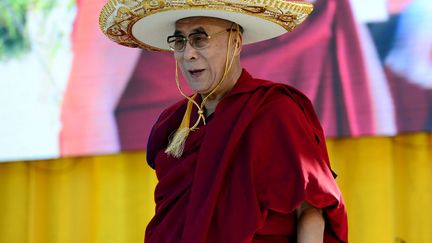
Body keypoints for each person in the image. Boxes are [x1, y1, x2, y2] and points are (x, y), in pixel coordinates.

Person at [99, 0, 348, 242]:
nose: (188, 54)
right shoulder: (175, 123)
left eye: (200, 39)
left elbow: (311, 209)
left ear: (235, 42)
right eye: (179, 41)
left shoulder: (274, 111)